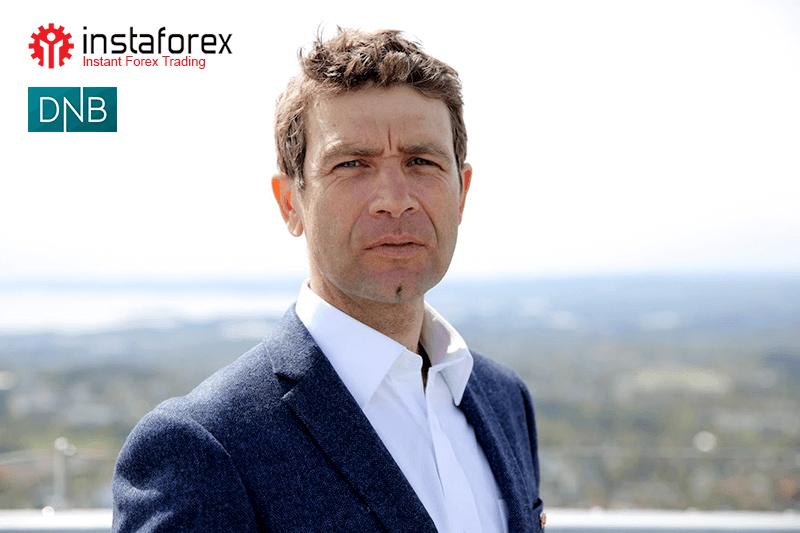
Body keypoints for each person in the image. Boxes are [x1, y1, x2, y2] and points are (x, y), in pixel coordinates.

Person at [112, 28, 544, 533]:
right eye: (352, 164)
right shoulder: (204, 447)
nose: (395, 199)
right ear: (290, 204)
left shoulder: (503, 399)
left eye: (421, 161)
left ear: (462, 192)